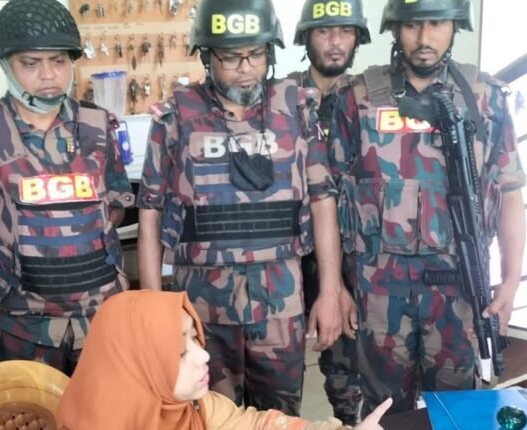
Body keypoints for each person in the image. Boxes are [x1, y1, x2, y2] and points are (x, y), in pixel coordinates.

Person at [137, 0, 345, 415]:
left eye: (256, 54)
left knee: (280, 419)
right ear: (206, 56)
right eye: (231, 58)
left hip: (280, 305)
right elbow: (150, 216)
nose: (246, 68)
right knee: (205, 416)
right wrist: (155, 313)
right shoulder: (175, 118)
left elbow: (323, 202)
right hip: (202, 311)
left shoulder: (296, 110)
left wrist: (330, 292)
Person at [330, 0, 527, 416]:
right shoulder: (357, 98)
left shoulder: (484, 98)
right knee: (384, 412)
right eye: (411, 26)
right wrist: (336, 287)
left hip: (458, 289)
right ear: (394, 30)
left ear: (455, 27)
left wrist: (511, 282)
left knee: (459, 410)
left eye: (436, 23)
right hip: (377, 291)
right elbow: (327, 196)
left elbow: (510, 192)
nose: (423, 38)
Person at [0, 0, 133, 376]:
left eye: (58, 60)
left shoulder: (98, 127)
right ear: (6, 64)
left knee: (103, 407)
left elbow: (115, 207)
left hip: (101, 322)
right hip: (22, 328)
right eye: (31, 63)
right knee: (27, 408)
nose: (48, 74)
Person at [57, 289, 392, 430]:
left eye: (194, 338)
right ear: (139, 368)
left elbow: (258, 426)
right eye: (181, 352)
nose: (203, 354)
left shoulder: (194, 409)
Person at [286, 0, 371, 424]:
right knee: (277, 384)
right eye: (323, 31)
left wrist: (339, 284)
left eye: (345, 31)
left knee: (348, 381)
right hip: (285, 260)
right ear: (306, 38)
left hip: (350, 257)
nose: (335, 42)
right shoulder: (280, 97)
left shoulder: (371, 99)